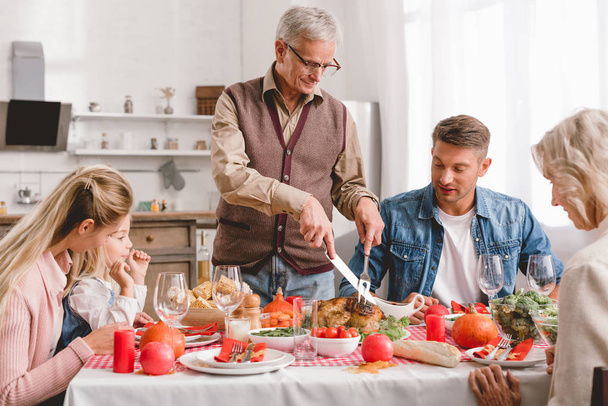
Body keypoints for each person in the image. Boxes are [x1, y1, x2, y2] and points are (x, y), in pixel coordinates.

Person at [210, 5, 384, 306]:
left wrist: (364, 202)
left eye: (327, 65)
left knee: (317, 352)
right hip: (239, 274)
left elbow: (348, 185)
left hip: (311, 276)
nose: (318, 75)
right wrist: (301, 202)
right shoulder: (235, 101)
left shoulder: (340, 116)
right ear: (281, 50)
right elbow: (230, 176)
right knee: (239, 353)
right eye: (310, 63)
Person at [340, 115, 563, 324]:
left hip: (489, 340)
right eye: (438, 164)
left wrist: (528, 321)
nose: (445, 178)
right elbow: (351, 288)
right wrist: (395, 309)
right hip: (418, 342)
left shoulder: (515, 216)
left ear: (483, 167)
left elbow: (557, 284)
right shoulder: (393, 212)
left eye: (458, 168)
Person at [469, 108, 608, 406]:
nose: (554, 199)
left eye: (554, 181)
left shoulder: (589, 268)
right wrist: (573, 354)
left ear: (582, 177)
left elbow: (578, 401)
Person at [0, 165, 133, 405]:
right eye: (111, 234)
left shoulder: (59, 263)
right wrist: (87, 347)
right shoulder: (22, 284)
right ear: (85, 227)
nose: (105, 242)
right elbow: (8, 394)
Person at [56, 215, 153, 352]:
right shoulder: (86, 289)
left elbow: (127, 318)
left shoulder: (102, 284)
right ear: (97, 244)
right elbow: (116, 336)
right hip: (84, 371)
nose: (130, 244)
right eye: (121, 237)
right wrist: (127, 287)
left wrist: (138, 277)